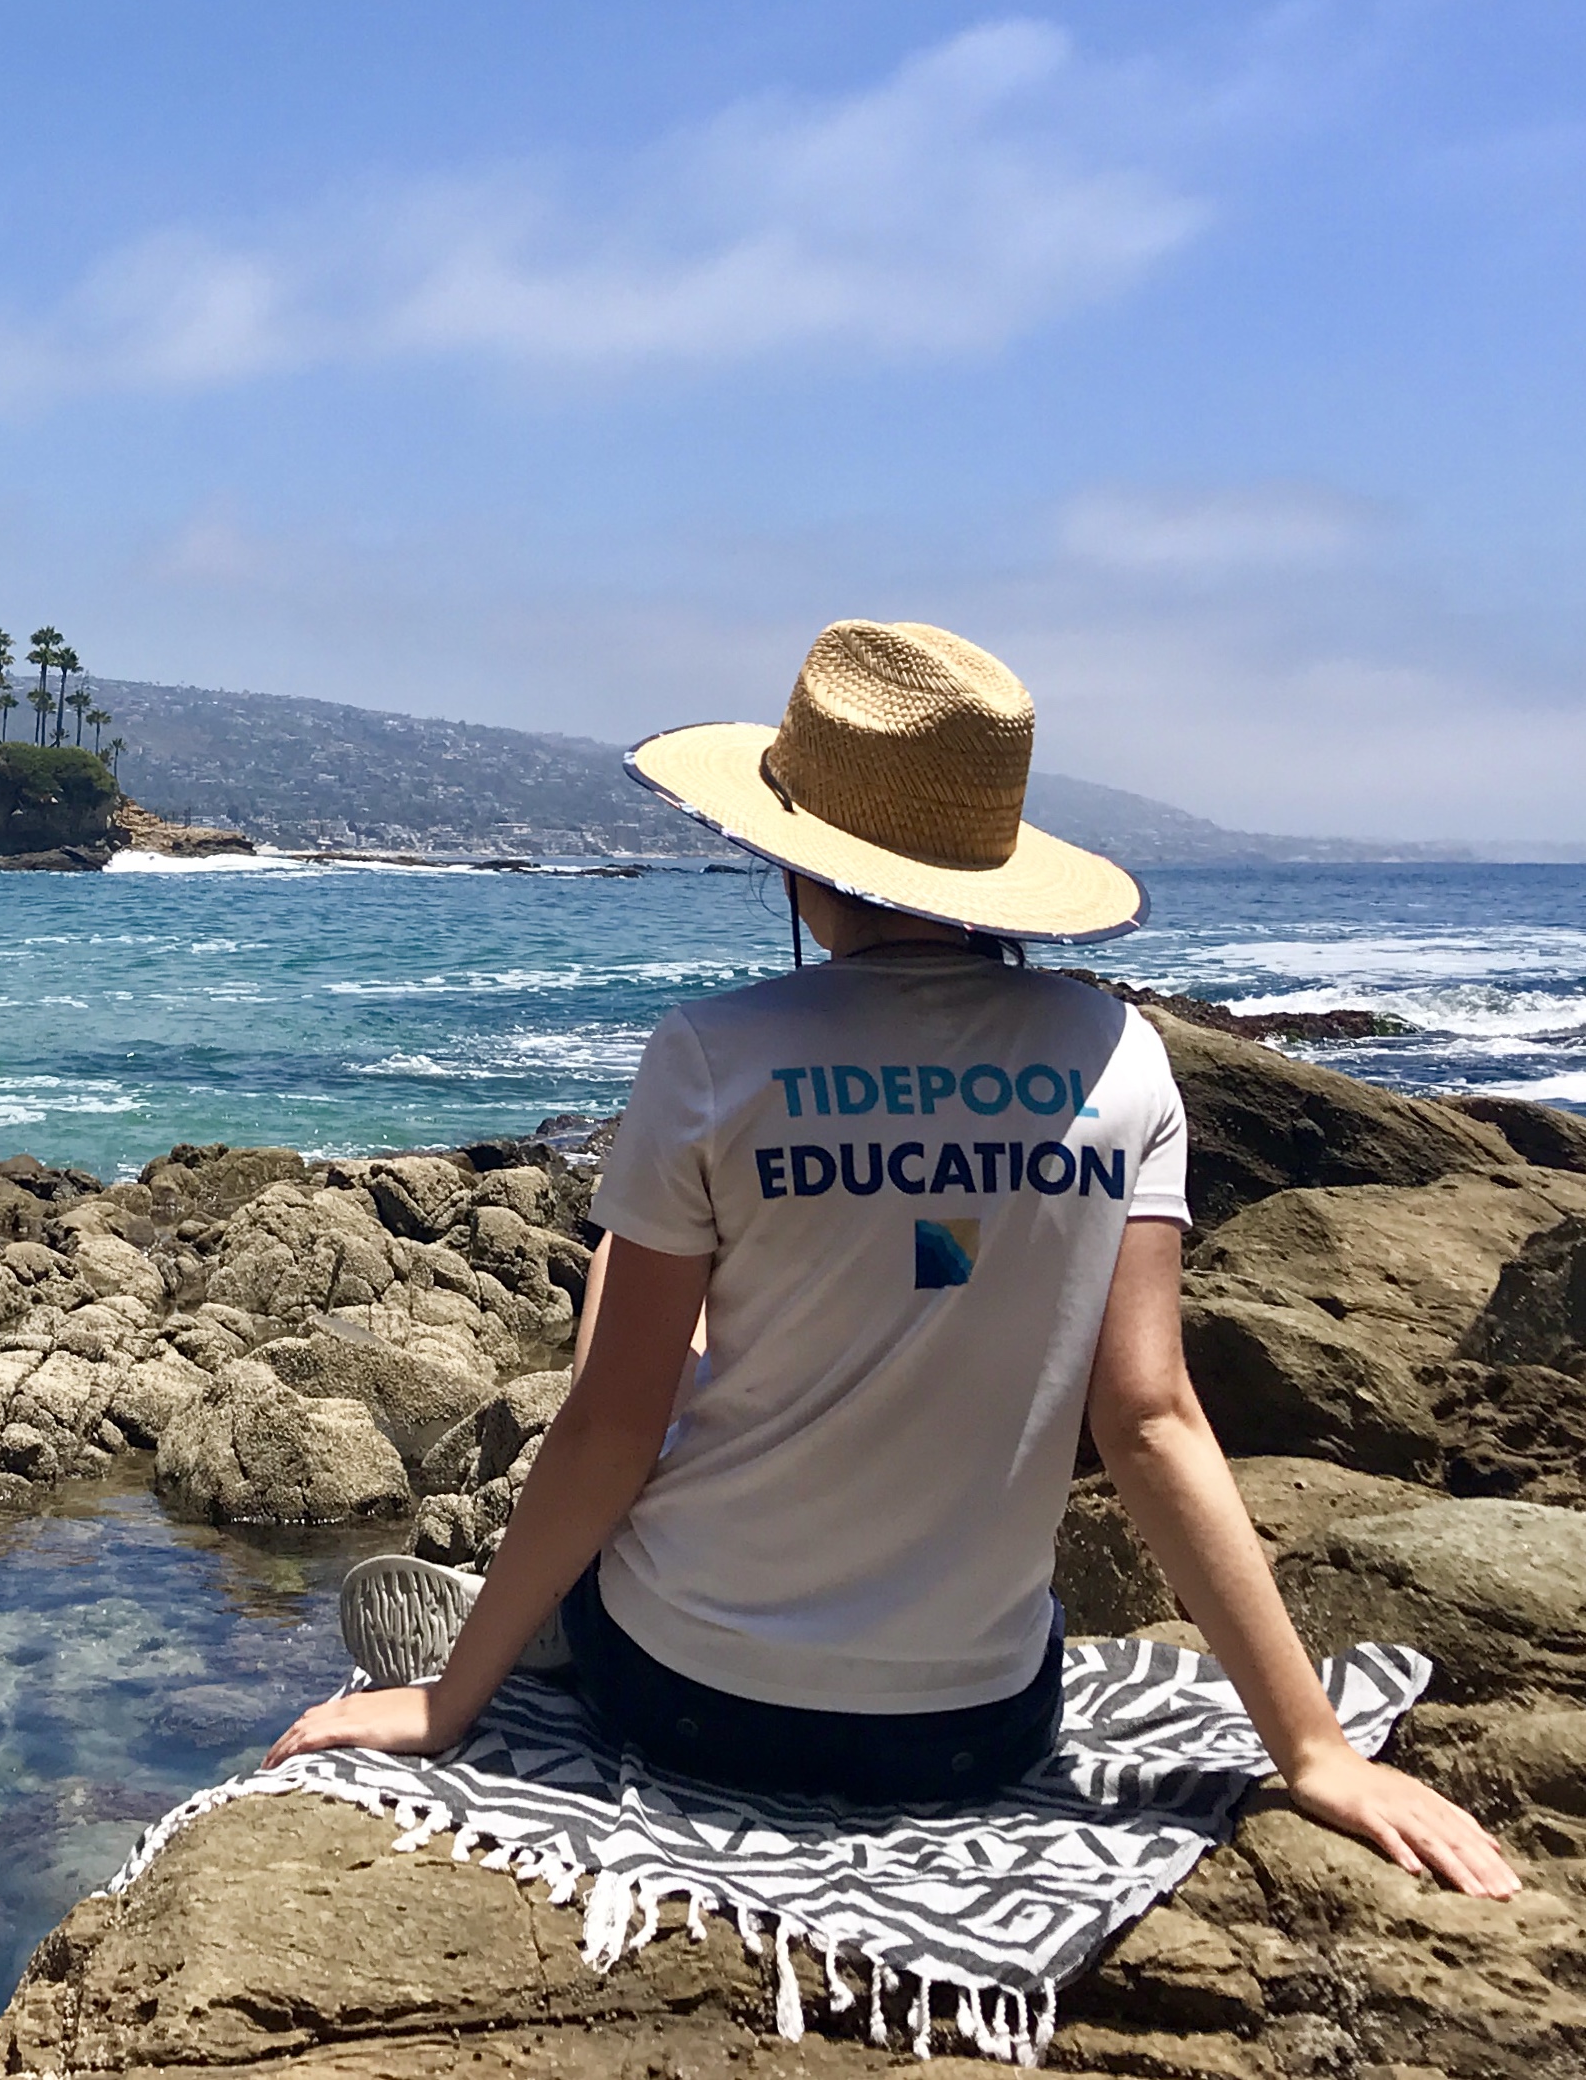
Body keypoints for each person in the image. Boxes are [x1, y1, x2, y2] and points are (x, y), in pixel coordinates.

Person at [275, 619, 1516, 1898]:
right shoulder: (1119, 1054)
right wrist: (1311, 1751)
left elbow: (609, 1428)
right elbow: (1146, 1419)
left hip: (691, 1699)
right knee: (884, 1288)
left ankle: (514, 1634)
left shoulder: (711, 1053)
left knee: (626, 1295)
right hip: (973, 1731)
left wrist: (443, 1710)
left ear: (800, 863)